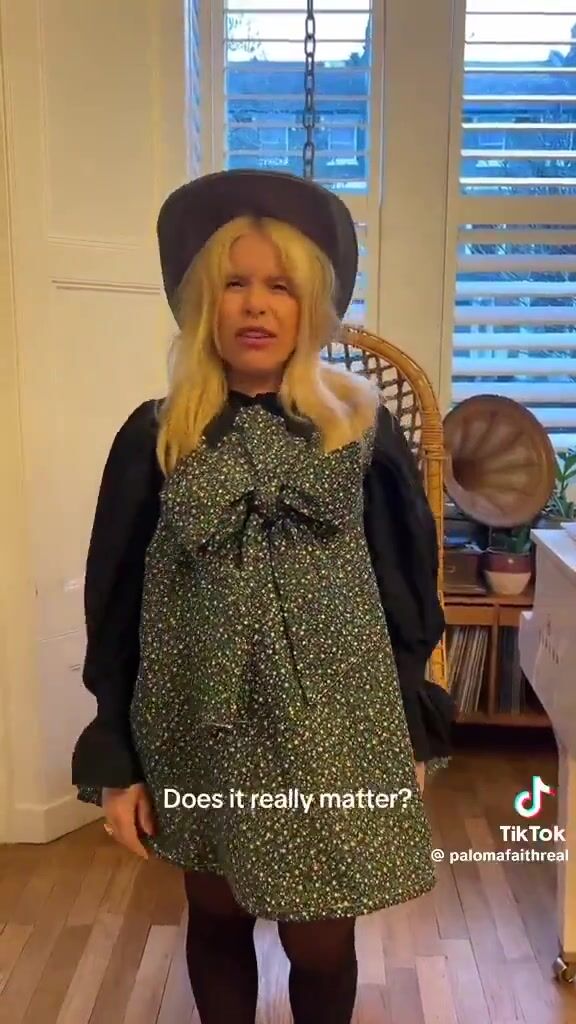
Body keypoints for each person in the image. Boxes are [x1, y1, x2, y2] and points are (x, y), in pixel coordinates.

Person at [71, 169, 456, 1024]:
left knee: (320, 936)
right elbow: (115, 600)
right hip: (198, 723)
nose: (255, 304)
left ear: (310, 306)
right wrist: (116, 753)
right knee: (215, 910)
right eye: (234, 284)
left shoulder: (360, 428)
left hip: (336, 730)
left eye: (279, 286)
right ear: (202, 305)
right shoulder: (156, 433)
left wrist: (411, 726)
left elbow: (404, 586)